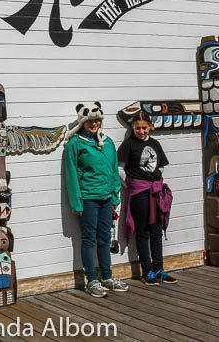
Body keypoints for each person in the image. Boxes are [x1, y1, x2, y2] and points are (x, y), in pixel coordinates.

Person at [63, 102, 129, 298]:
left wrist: (115, 192)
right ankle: (91, 279)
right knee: (88, 239)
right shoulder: (75, 144)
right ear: (83, 122)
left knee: (105, 238)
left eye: (97, 120)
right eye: (90, 121)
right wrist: (77, 203)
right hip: (88, 198)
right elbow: (71, 175)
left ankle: (106, 276)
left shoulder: (107, 143)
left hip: (107, 198)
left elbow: (113, 167)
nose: (94, 124)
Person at [117, 111, 177, 286]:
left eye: (144, 128)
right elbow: (120, 169)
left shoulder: (155, 144)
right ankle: (147, 271)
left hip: (155, 192)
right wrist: (133, 185)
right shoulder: (128, 145)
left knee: (156, 230)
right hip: (139, 193)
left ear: (150, 127)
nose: (141, 131)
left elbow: (161, 167)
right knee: (142, 231)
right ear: (133, 128)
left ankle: (159, 269)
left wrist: (155, 183)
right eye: (138, 128)